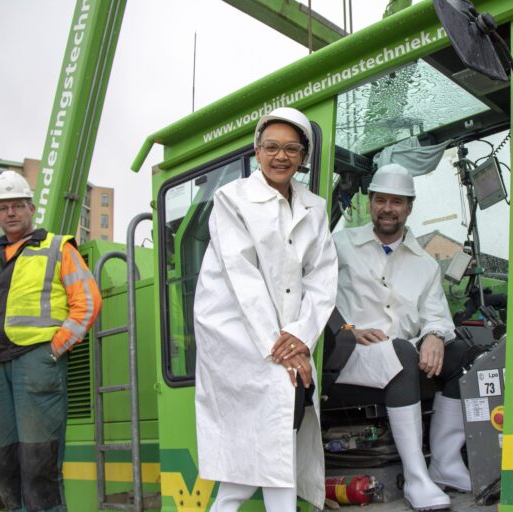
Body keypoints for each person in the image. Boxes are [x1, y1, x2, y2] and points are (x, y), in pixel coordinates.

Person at [193, 107, 337, 512]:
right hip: (240, 339)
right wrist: (282, 345)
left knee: (272, 454)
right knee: (262, 456)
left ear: (304, 157)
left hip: (287, 341)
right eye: (271, 146)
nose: (281, 156)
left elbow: (323, 278)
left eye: (292, 148)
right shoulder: (232, 199)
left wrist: (301, 337)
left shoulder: (315, 207)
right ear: (256, 151)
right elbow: (243, 278)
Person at [332, 164, 475, 511]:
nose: (387, 208)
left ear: (409, 207)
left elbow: (437, 315)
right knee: (401, 353)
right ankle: (416, 477)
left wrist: (434, 337)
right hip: (351, 355)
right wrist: (347, 329)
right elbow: (314, 297)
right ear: (370, 203)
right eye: (381, 200)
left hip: (401, 354)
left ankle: (445, 462)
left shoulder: (425, 264)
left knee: (467, 358)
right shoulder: (340, 245)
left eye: (397, 202)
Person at [0, 170, 102, 511]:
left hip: (35, 364)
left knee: (39, 462)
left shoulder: (57, 247)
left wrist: (52, 350)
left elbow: (87, 302)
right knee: (5, 463)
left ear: (31, 209)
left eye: (17, 205)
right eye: (2, 207)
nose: (10, 212)